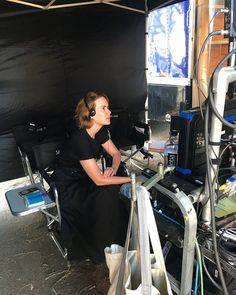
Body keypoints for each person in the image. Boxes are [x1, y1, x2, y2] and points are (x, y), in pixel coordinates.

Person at [51, 91, 131, 263]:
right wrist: (132, 179)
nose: (109, 112)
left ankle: (117, 242)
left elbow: (116, 153)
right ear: (91, 114)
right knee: (106, 193)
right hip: (68, 184)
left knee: (112, 191)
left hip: (85, 178)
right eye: (104, 108)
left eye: (108, 108)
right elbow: (99, 180)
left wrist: (113, 166)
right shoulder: (80, 139)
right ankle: (101, 250)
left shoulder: (100, 131)